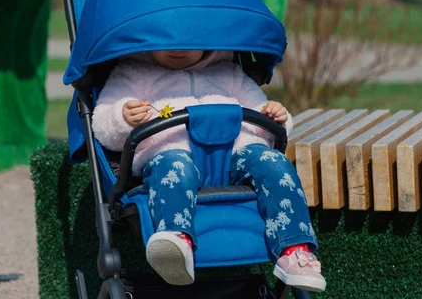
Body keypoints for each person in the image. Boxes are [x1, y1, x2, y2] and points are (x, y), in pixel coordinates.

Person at [92, 49, 326, 292]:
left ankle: (294, 250)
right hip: (174, 151)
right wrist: (122, 117)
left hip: (235, 152)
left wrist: (276, 117)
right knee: (174, 169)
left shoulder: (229, 72)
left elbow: (261, 114)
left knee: (274, 162)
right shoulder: (133, 73)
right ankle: (176, 241)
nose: (178, 49)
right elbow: (102, 126)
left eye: (190, 43)